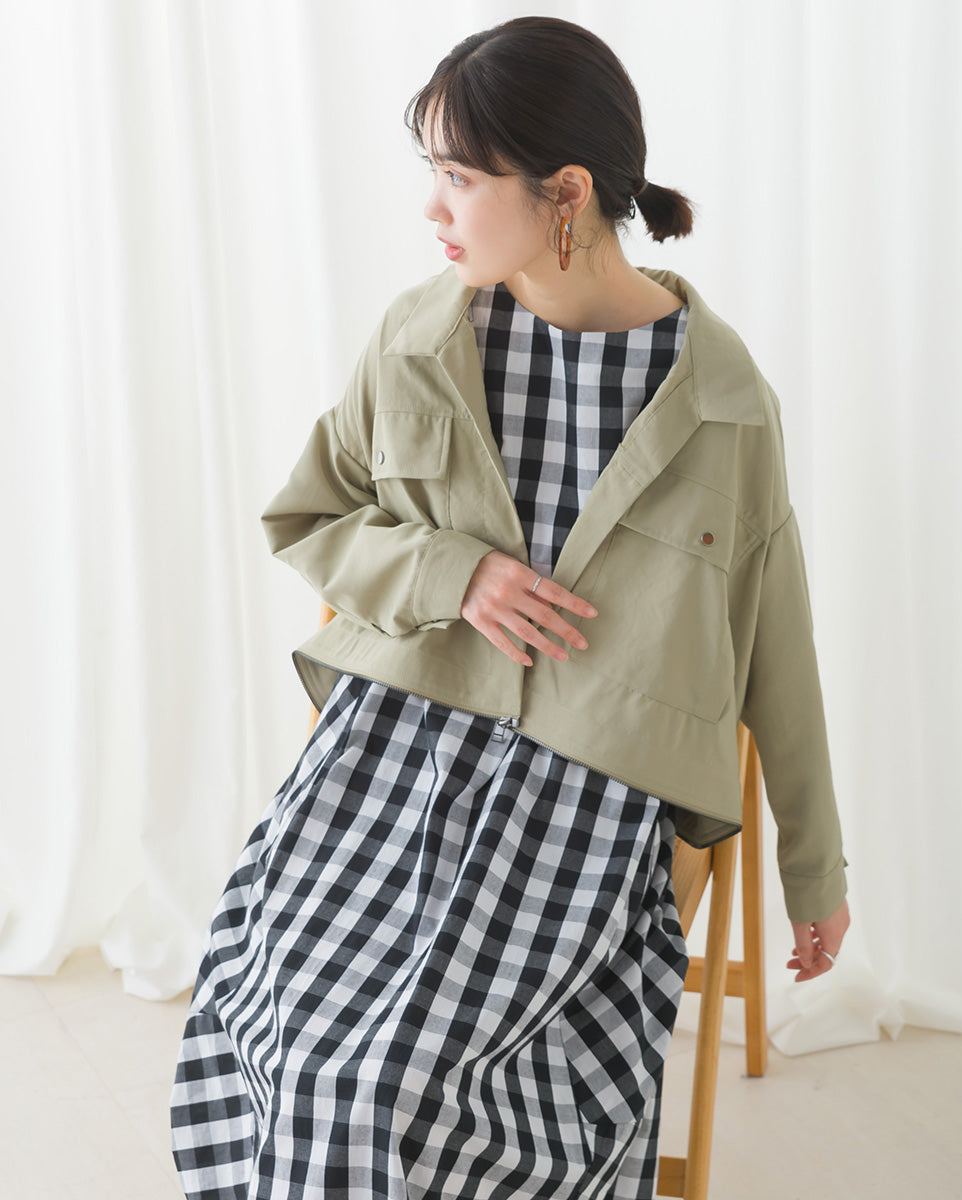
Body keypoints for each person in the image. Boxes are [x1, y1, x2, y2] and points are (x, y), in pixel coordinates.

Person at [170, 15, 850, 1200]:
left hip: (581, 807)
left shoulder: (724, 402)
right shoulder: (416, 337)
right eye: (430, 170)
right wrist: (453, 574)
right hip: (387, 762)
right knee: (272, 1023)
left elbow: (773, 645)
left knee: (387, 1083)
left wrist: (816, 873)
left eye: (459, 176)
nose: (432, 207)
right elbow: (309, 519)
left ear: (565, 194)